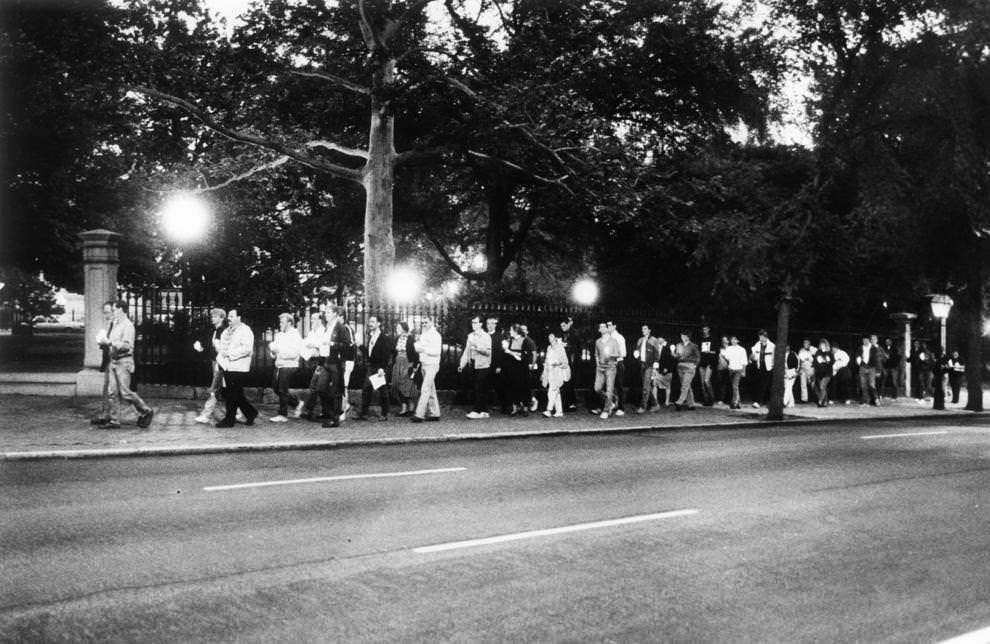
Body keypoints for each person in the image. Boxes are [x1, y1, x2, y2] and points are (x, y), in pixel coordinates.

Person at [98, 299, 155, 429]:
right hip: (113, 361)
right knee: (112, 392)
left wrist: (111, 343)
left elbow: (127, 346)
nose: (112, 312)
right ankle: (114, 420)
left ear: (121, 310)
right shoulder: (116, 324)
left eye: (114, 309)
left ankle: (145, 410)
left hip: (123, 362)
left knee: (125, 392)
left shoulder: (128, 326)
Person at [216, 308, 257, 428]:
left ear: (239, 318)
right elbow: (223, 344)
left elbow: (247, 349)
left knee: (232, 394)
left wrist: (230, 353)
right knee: (236, 393)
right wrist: (221, 350)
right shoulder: (228, 331)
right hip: (228, 365)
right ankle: (251, 413)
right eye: (228, 316)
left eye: (232, 316)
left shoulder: (246, 331)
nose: (229, 318)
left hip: (239, 366)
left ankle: (229, 420)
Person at [193, 308, 229, 424]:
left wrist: (202, 349)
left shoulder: (223, 331)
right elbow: (212, 348)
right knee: (222, 389)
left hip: (220, 363)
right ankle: (239, 412)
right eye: (212, 316)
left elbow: (221, 349)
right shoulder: (216, 330)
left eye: (215, 316)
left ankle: (206, 414)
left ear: (221, 318)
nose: (212, 318)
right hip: (216, 362)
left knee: (214, 389)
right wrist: (202, 348)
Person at [322, 305, 355, 428]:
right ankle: (331, 412)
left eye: (328, 312)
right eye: (326, 313)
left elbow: (347, 345)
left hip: (336, 362)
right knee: (321, 387)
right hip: (326, 361)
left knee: (336, 390)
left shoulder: (341, 328)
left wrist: (332, 344)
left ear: (335, 314)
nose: (326, 315)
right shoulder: (327, 327)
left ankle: (335, 418)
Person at [268, 312, 303, 422]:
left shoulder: (295, 335)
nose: (280, 324)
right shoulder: (279, 335)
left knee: (282, 389)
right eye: (280, 322)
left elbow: (294, 353)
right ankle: (297, 403)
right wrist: (273, 353)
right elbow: (274, 350)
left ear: (289, 322)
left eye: (282, 322)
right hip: (279, 364)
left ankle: (283, 414)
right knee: (275, 387)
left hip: (289, 365)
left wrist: (279, 352)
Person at [299, 311, 332, 421]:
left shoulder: (323, 331)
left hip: (322, 361)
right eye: (312, 319)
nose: (312, 321)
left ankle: (310, 411)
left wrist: (315, 345)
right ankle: (325, 411)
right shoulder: (312, 332)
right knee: (316, 387)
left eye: (314, 319)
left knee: (316, 386)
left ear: (319, 320)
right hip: (313, 360)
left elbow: (324, 345)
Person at [459, 315, 492, 419]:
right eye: (473, 322)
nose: (474, 324)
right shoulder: (470, 336)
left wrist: (478, 347)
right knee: (477, 387)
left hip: (483, 365)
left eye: (476, 322)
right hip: (473, 364)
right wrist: (462, 364)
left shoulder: (486, 336)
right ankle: (484, 411)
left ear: (481, 324)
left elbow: (488, 352)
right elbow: (466, 351)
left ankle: (477, 410)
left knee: (479, 386)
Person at [411, 317, 442, 422]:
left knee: (425, 388)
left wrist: (423, 349)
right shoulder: (424, 334)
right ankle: (435, 413)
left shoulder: (436, 335)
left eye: (426, 322)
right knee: (430, 389)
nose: (424, 324)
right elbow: (418, 348)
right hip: (424, 363)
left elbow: (437, 351)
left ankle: (419, 414)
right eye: (423, 323)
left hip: (432, 364)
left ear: (431, 322)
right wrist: (417, 343)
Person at [89, 301, 115, 426]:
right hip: (110, 359)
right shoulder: (110, 324)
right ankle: (106, 414)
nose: (106, 315)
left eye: (108, 312)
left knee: (124, 392)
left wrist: (107, 342)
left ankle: (143, 410)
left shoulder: (117, 324)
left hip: (117, 360)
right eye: (104, 312)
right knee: (108, 388)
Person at [503, 324, 533, 416]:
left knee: (524, 387)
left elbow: (526, 355)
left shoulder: (525, 340)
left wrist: (512, 353)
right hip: (513, 368)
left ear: (516, 331)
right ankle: (515, 408)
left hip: (522, 368)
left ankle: (525, 408)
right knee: (513, 387)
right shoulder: (511, 340)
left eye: (511, 330)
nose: (510, 332)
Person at [593, 322, 621, 419]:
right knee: (597, 388)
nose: (603, 328)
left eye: (604, 326)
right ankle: (612, 400)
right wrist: (597, 364)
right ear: (599, 330)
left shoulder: (614, 341)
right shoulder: (598, 341)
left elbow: (619, 355)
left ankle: (606, 410)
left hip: (610, 367)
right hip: (600, 368)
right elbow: (596, 354)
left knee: (609, 389)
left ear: (607, 329)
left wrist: (610, 355)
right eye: (600, 327)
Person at [390, 321, 419, 417]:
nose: (397, 329)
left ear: (403, 328)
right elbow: (393, 351)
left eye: (398, 328)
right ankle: (403, 407)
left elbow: (415, 354)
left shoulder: (411, 339)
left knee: (408, 385)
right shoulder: (397, 338)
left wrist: (414, 366)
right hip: (398, 363)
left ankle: (411, 406)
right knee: (397, 384)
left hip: (407, 363)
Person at [541, 330, 570, 417]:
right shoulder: (549, 348)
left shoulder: (560, 347)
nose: (550, 338)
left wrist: (557, 363)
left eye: (552, 337)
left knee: (552, 391)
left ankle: (549, 410)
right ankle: (559, 411)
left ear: (556, 338)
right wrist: (544, 372)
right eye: (549, 337)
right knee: (555, 392)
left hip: (558, 371)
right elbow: (546, 360)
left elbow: (565, 361)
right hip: (550, 372)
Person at [487, 316, 511, 415]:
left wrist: (499, 365)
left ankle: (505, 407)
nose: (490, 326)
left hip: (495, 365)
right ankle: (485, 406)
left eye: (492, 323)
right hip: (485, 364)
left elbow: (501, 352)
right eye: (488, 323)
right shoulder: (485, 335)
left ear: (495, 325)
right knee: (485, 386)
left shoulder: (499, 336)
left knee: (499, 387)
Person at [633, 324, 660, 413]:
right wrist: (636, 354)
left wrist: (656, 364)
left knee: (645, 386)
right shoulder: (640, 340)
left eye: (645, 329)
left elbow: (657, 353)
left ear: (649, 330)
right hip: (642, 364)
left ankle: (643, 406)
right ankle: (655, 404)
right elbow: (637, 350)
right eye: (642, 329)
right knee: (647, 386)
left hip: (650, 365)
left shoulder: (654, 340)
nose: (643, 330)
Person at [674, 330, 700, 411]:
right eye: (682, 336)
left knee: (685, 385)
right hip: (680, 366)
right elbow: (677, 356)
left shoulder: (693, 346)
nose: (682, 338)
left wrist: (695, 365)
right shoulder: (679, 345)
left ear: (688, 337)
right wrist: (673, 354)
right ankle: (691, 404)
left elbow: (698, 357)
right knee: (687, 386)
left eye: (684, 336)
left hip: (689, 366)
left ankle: (679, 402)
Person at [721, 335, 748, 409]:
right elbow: (727, 358)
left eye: (735, 339)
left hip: (738, 369)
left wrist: (743, 371)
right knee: (734, 386)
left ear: (738, 341)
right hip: (731, 369)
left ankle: (734, 403)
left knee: (735, 386)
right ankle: (738, 401)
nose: (733, 341)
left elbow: (744, 361)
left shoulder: (742, 349)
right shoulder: (729, 349)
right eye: (732, 339)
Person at [606, 321, 627, 416]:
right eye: (607, 325)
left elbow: (624, 353)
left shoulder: (619, 337)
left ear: (614, 326)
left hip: (618, 363)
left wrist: (612, 355)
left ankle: (621, 408)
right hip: (609, 364)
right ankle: (612, 404)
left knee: (619, 386)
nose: (608, 327)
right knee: (609, 386)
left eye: (610, 325)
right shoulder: (607, 338)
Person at [750, 330, 775, 408]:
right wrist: (753, 357)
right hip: (759, 366)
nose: (760, 338)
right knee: (760, 384)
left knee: (767, 385)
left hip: (768, 367)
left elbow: (774, 357)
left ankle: (764, 401)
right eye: (759, 337)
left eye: (761, 337)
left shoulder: (772, 345)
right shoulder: (757, 344)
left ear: (765, 337)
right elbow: (754, 353)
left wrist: (773, 366)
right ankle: (759, 401)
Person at [558, 317, 578, 411]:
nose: (562, 327)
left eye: (564, 325)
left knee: (569, 382)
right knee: (564, 382)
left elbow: (576, 347)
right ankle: (566, 402)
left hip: (570, 360)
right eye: (561, 326)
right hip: (564, 360)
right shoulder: (563, 334)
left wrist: (566, 346)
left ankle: (571, 403)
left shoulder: (573, 334)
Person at [856, 335, 880, 406]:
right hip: (863, 367)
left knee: (871, 384)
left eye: (866, 340)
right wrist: (859, 360)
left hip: (871, 368)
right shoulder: (860, 348)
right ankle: (866, 401)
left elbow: (877, 360)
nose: (865, 342)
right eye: (863, 341)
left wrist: (878, 370)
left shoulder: (874, 348)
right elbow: (857, 356)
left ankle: (876, 399)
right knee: (863, 385)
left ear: (869, 341)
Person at [697, 325, 718, 406]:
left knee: (706, 381)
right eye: (703, 329)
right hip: (702, 363)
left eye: (706, 329)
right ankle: (706, 400)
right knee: (702, 383)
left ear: (709, 329)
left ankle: (711, 398)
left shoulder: (713, 339)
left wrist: (709, 352)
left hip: (710, 363)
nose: (704, 330)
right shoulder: (701, 340)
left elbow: (716, 352)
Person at [656, 335, 677, 407]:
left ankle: (667, 401)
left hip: (666, 370)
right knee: (655, 385)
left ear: (663, 339)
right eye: (658, 338)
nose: (658, 339)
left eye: (660, 338)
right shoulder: (656, 347)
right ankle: (655, 401)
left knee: (668, 386)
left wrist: (666, 368)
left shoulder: (668, 347)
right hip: (657, 369)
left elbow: (671, 359)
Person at [813, 339, 836, 407]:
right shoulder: (818, 352)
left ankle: (820, 401)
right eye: (821, 344)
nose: (822, 346)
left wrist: (828, 360)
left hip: (827, 373)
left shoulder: (829, 353)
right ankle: (825, 402)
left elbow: (833, 362)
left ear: (826, 345)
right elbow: (815, 363)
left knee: (822, 386)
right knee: (823, 388)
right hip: (819, 374)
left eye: (824, 345)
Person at [797, 338, 815, 404]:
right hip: (803, 367)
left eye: (807, 343)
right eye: (804, 343)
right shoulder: (801, 350)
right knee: (803, 384)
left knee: (812, 383)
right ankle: (804, 399)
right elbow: (799, 359)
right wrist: (799, 369)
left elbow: (815, 357)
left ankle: (815, 397)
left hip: (810, 367)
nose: (805, 344)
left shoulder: (812, 349)